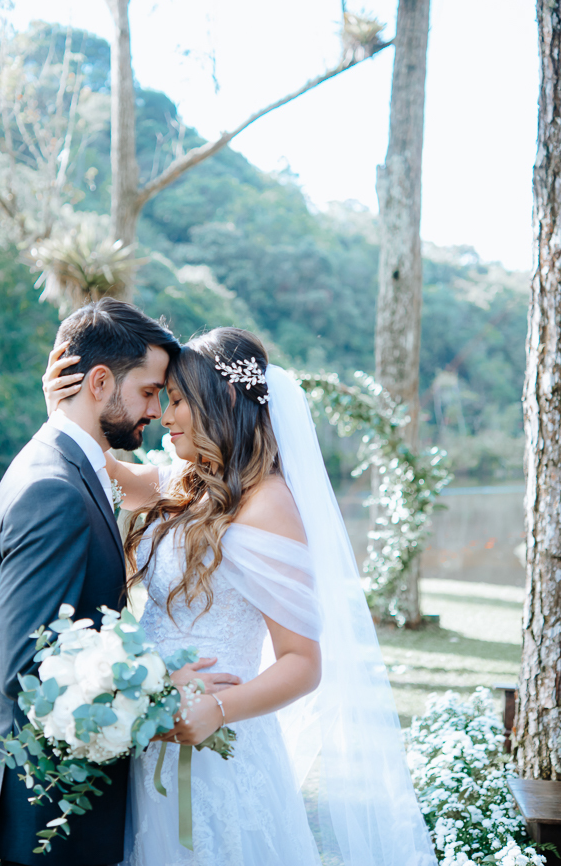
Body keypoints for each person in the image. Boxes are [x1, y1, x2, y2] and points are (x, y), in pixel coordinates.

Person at [45, 325, 437, 866]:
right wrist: (62, 408)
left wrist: (217, 711)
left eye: (178, 400)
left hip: (221, 751)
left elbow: (303, 663)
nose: (163, 415)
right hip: (150, 738)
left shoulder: (269, 504)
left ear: (223, 399)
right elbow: (105, 468)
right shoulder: (188, 481)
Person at [0, 300, 240, 866]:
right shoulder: (53, 488)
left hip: (69, 809)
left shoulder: (71, 466)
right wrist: (160, 684)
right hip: (52, 820)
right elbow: (29, 667)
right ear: (98, 382)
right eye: (148, 391)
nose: (157, 410)